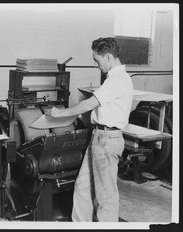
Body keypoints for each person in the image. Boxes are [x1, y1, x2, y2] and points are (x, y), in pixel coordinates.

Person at [48, 37, 133, 222]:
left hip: (105, 141)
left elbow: (91, 103)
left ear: (108, 57)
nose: (96, 65)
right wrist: (80, 116)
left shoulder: (116, 80)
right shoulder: (115, 79)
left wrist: (61, 114)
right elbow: (102, 108)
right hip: (99, 138)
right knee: (83, 188)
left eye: (97, 60)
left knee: (106, 198)